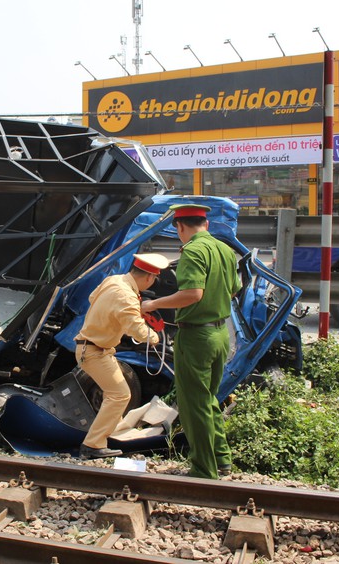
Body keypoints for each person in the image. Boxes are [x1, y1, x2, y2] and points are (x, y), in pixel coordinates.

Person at [141, 204, 241, 479]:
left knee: (193, 404)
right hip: (220, 334)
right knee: (208, 399)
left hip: (197, 336)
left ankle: (203, 470)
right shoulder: (224, 250)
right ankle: (221, 460)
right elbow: (234, 290)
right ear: (205, 225)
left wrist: (152, 304)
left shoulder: (194, 251)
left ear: (180, 227)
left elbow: (192, 294)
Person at [74, 252, 170, 459]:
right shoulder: (126, 296)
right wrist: (155, 338)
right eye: (153, 279)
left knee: (118, 393)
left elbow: (93, 298)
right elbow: (137, 330)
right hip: (95, 352)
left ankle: (105, 433)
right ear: (149, 278)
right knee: (120, 395)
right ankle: (92, 445)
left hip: (95, 348)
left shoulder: (114, 280)